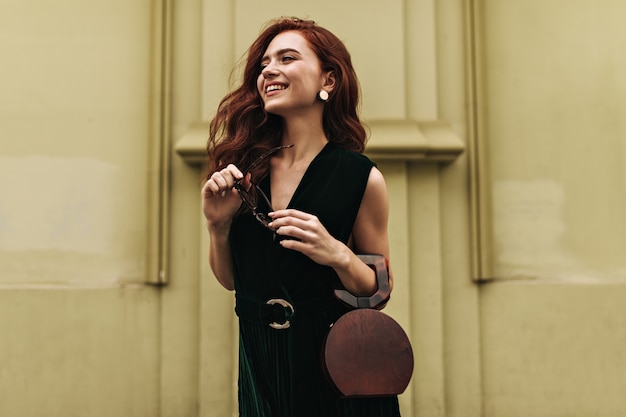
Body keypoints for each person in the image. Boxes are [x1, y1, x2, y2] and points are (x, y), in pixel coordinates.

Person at [201, 17, 401, 417]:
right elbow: (231, 282)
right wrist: (218, 227)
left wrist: (336, 253)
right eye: (264, 64)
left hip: (334, 363)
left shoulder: (360, 177)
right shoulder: (244, 171)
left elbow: (378, 293)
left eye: (287, 58)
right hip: (260, 359)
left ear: (328, 80)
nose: (269, 70)